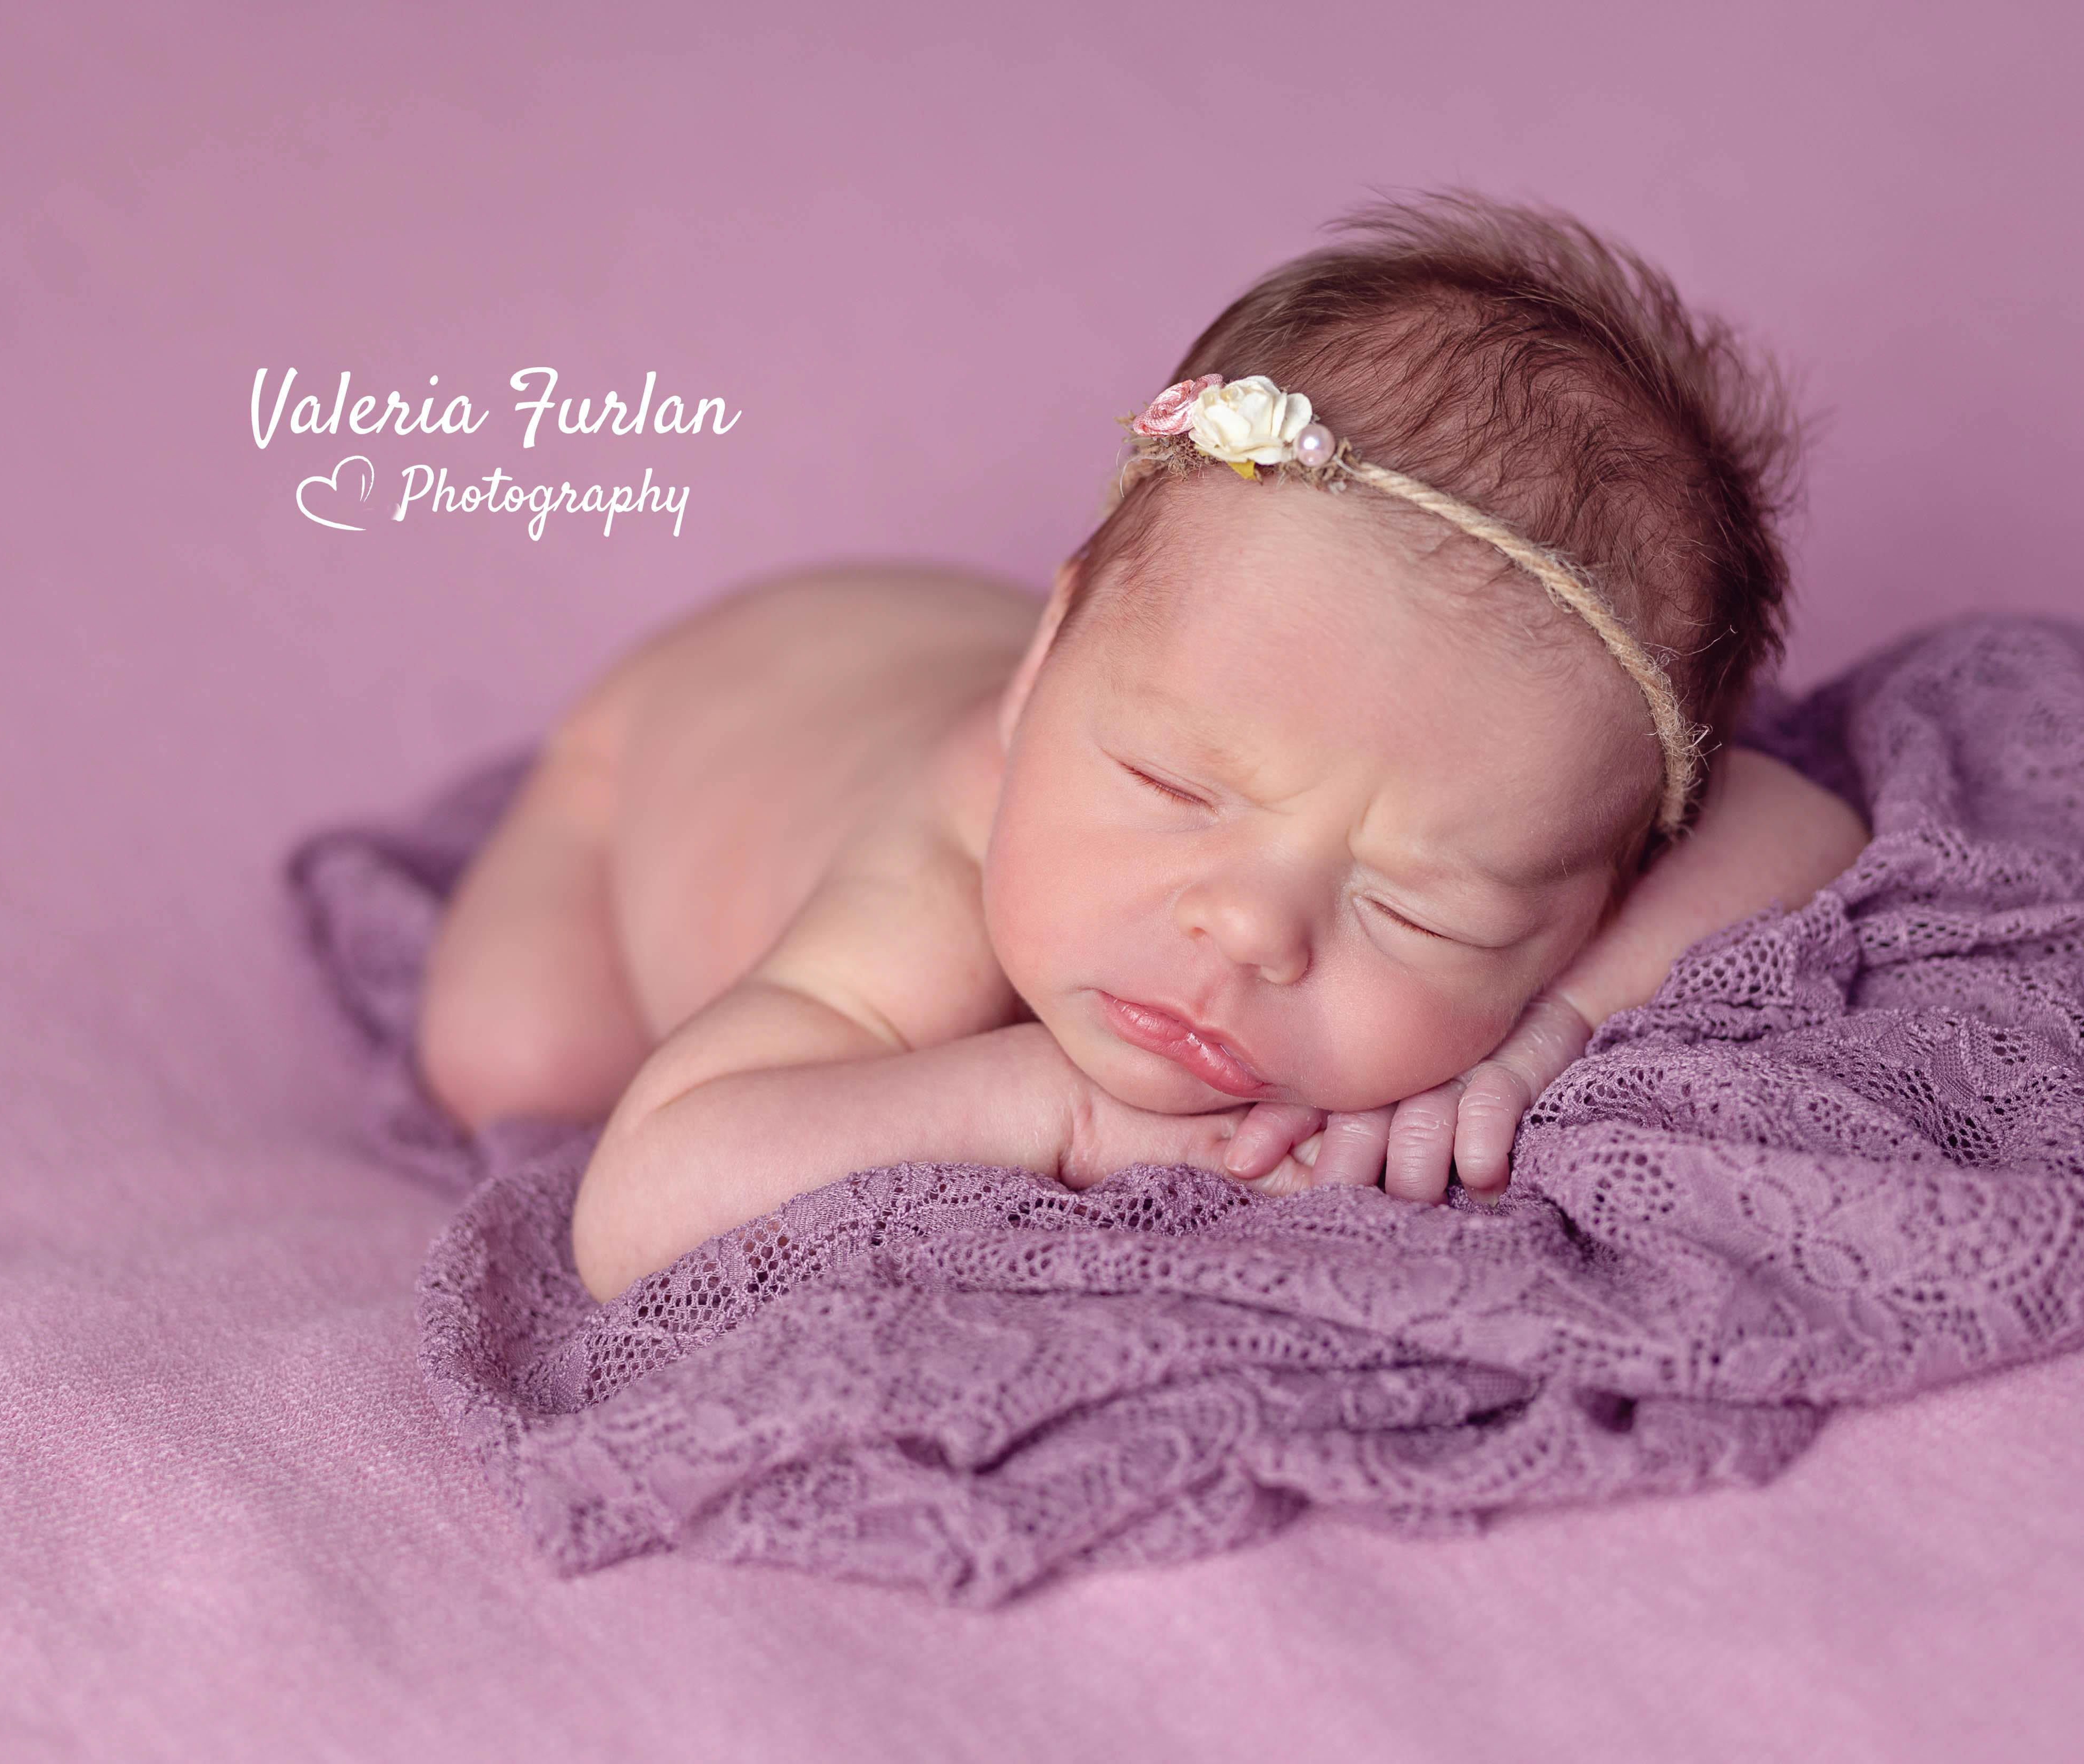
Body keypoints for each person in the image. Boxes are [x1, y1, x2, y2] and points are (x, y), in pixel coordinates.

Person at [413, 191, 1873, 1304]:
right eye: (1170, 790)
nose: (1248, 926)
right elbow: (641, 1206)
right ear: (1046, 671)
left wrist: (1544, 1036)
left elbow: (1797, 825)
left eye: (1420, 904)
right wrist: (1047, 1108)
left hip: (1056, 655)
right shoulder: (944, 860)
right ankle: (588, 808)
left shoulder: (1493, 784)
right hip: (702, 715)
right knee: (522, 1060)